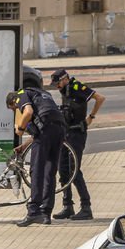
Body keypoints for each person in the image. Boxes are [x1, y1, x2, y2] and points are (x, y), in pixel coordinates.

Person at [6, 86, 66, 227]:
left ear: (13, 102)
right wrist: (24, 146)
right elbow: (40, 132)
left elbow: (28, 112)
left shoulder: (21, 94)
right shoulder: (42, 94)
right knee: (50, 172)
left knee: (36, 170)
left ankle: (33, 212)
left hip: (46, 129)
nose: (16, 110)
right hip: (59, 128)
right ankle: (46, 213)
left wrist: (20, 129)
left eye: (14, 109)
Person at [50, 69, 105, 221]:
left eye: (58, 83)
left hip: (76, 134)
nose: (57, 87)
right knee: (63, 170)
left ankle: (86, 207)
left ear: (65, 79)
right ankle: (68, 206)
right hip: (65, 133)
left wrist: (91, 117)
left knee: (75, 170)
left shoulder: (77, 87)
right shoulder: (65, 90)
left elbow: (100, 98)